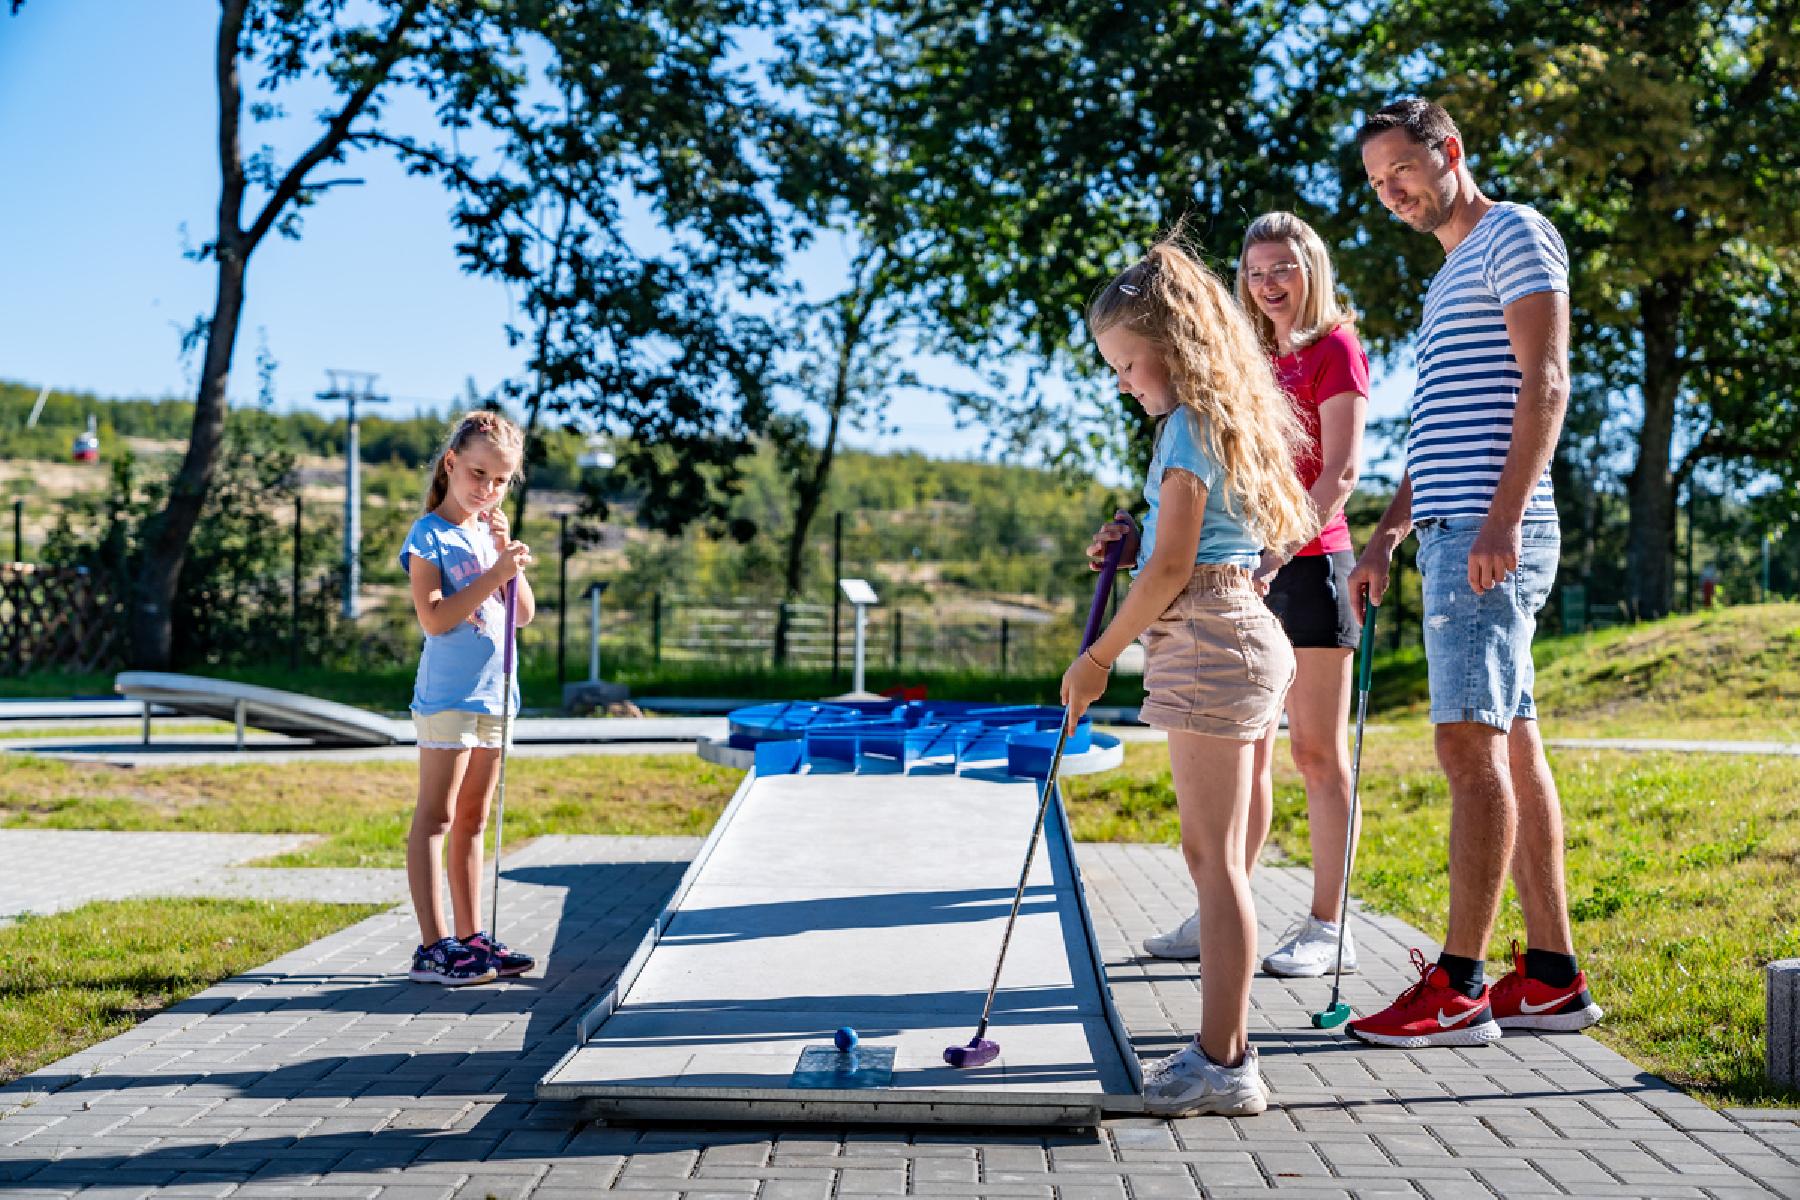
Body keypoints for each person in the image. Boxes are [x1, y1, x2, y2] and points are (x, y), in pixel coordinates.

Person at [1346, 98, 1602, 1046]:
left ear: (1450, 151)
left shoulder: (1515, 235)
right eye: (1377, 182)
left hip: (1491, 535)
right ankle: (1552, 978)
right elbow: (1444, 427)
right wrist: (1387, 533)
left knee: (1468, 748)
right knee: (1513, 746)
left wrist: (1501, 519)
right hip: (1453, 529)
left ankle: (1457, 985)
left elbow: (1547, 381)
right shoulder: (1451, 271)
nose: (1392, 191)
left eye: (1403, 169)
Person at [1063, 232, 1318, 1116]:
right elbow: (1200, 543)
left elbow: (1176, 569)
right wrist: (1137, 543)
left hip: (1209, 640)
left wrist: (1096, 658)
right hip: (1236, 631)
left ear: (1173, 345)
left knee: (1215, 864)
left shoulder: (1184, 428)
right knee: (1224, 861)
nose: (1122, 383)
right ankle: (1223, 1049)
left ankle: (1224, 1061)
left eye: (1128, 364)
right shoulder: (1218, 418)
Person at [1140, 212, 1371, 980]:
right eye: (1256, 271)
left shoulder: (1336, 349)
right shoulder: (1251, 360)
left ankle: (1330, 925)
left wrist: (1279, 553)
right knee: (1252, 750)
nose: (1269, 283)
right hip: (1248, 570)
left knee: (1317, 753)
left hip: (1311, 564)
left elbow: (1339, 474)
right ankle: (1222, 908)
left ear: (1312, 270)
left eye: (1284, 268)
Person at [399, 410, 540, 986]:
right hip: (448, 697)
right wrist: (493, 574)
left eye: (501, 481)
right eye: (479, 474)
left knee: (474, 819)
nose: (488, 489)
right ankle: (433, 948)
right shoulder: (428, 535)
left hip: (494, 697)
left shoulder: (488, 534)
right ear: (452, 463)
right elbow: (434, 619)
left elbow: (522, 615)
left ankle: (471, 936)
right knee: (436, 815)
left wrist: (507, 561)